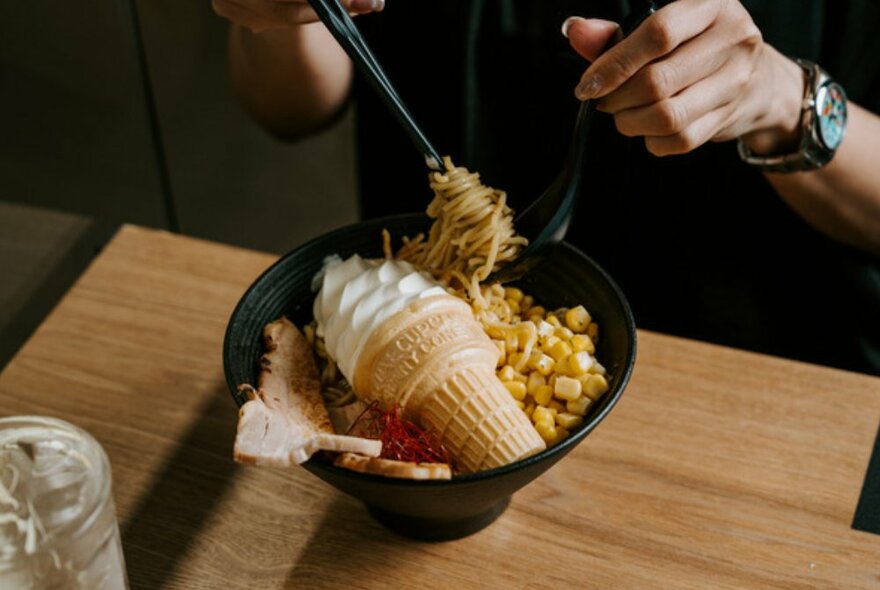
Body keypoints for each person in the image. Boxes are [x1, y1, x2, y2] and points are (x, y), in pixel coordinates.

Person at [212, 0, 880, 375]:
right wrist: (270, 17)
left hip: (768, 379)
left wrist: (782, 100)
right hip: (417, 342)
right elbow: (287, 108)